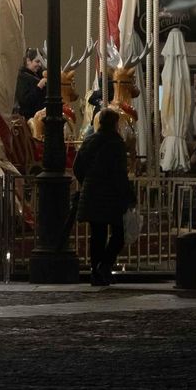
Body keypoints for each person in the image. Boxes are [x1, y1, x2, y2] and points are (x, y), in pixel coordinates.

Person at [74, 108, 133, 286]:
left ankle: (96, 271)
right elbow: (120, 172)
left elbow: (78, 166)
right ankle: (104, 265)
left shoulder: (90, 140)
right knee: (119, 234)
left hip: (92, 194)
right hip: (112, 194)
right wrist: (128, 195)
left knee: (97, 235)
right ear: (114, 124)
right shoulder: (116, 143)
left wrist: (87, 182)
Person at [16, 50, 46, 120]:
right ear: (28, 61)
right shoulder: (22, 77)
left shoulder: (39, 75)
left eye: (41, 62)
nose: (40, 65)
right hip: (30, 118)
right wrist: (39, 87)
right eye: (37, 61)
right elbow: (24, 101)